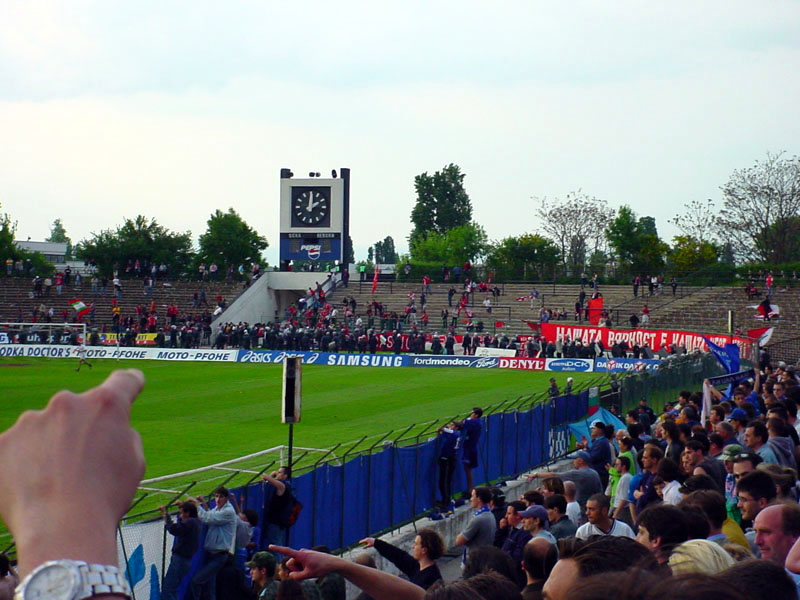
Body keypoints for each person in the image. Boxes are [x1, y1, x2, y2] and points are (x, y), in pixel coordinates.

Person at [188, 486, 238, 600]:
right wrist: (203, 503)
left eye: (220, 496)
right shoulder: (218, 509)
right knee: (210, 590)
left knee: (196, 581)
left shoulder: (228, 512)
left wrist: (197, 505)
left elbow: (208, 518)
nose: (217, 499)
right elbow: (210, 515)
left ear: (226, 498)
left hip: (219, 556)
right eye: (216, 496)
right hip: (212, 555)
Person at [359, 529, 444, 590]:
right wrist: (375, 542)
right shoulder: (417, 567)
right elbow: (398, 556)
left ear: (424, 550)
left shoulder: (433, 579)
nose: (413, 547)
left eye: (416, 544)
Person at [160, 500, 202, 600]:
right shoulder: (196, 522)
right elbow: (182, 526)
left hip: (180, 560)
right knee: (173, 589)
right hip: (185, 561)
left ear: (187, 513)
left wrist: (166, 515)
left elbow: (174, 529)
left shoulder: (190, 522)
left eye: (181, 513)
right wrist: (181, 507)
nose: (180, 516)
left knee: (168, 589)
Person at [455, 486, 497, 562]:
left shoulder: (478, 519)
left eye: (473, 496)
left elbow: (459, 540)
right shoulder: (490, 515)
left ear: (478, 499)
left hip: (475, 561)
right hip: (485, 557)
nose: (471, 499)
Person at [262, 466, 294, 551]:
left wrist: (271, 475)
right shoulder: (287, 484)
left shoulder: (282, 486)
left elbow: (265, 477)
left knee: (275, 546)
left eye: (280, 472)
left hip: (275, 522)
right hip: (277, 522)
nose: (277, 473)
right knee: (275, 544)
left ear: (285, 475)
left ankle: (280, 563)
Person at [460, 408, 483, 496]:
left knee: (467, 468)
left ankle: (470, 489)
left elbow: (462, 423)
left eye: (472, 413)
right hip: (471, 448)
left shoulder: (474, 422)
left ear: (476, 415)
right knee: (467, 468)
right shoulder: (477, 422)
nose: (471, 414)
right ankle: (470, 488)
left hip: (470, 449)